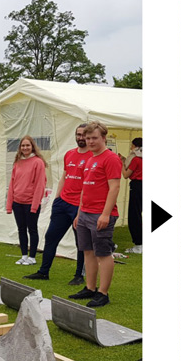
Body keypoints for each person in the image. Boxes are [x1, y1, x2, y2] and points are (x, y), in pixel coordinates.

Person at [27, 123, 93, 285]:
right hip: (63, 203)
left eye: (84, 135)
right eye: (78, 134)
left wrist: (82, 208)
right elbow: (64, 176)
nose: (80, 138)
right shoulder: (69, 154)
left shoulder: (93, 157)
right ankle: (43, 272)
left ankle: (79, 275)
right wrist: (57, 199)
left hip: (80, 206)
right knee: (51, 237)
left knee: (81, 243)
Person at [67, 123, 124, 308]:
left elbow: (114, 187)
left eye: (94, 138)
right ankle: (90, 288)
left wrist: (105, 214)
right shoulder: (91, 159)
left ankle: (103, 293)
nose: (90, 141)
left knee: (103, 254)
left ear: (103, 138)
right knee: (88, 252)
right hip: (85, 213)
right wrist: (79, 213)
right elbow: (85, 188)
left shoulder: (111, 158)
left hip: (101, 214)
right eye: (87, 138)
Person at [7, 135, 48, 265]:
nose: (25, 148)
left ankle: (32, 256)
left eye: (27, 145)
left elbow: (40, 185)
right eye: (23, 146)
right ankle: (24, 255)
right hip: (17, 202)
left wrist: (35, 205)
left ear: (32, 147)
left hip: (31, 203)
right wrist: (9, 204)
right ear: (20, 148)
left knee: (32, 229)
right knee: (21, 229)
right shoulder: (17, 163)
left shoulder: (38, 162)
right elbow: (12, 183)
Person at [124, 137, 144, 254]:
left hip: (137, 186)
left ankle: (138, 244)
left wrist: (121, 163)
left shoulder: (136, 160)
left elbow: (126, 174)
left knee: (134, 215)